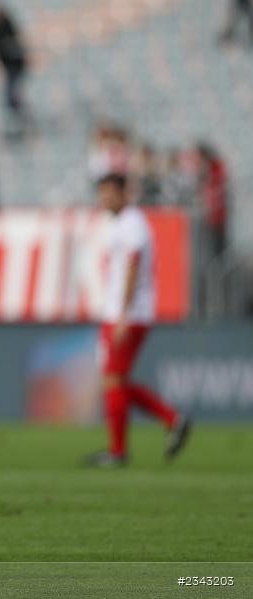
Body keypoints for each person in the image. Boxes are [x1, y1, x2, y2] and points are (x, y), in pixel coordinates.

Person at [84, 174, 191, 467]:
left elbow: (133, 266)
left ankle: (119, 451)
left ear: (124, 192)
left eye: (108, 193)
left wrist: (123, 313)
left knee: (113, 379)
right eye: (101, 193)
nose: (104, 199)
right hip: (123, 311)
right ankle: (172, 420)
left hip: (129, 313)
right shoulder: (123, 223)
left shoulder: (132, 223)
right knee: (115, 381)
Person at [0, 3, 27, 122]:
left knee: (12, 87)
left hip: (16, 62)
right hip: (6, 62)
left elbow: (15, 39)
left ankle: (16, 110)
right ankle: (14, 110)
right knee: (10, 88)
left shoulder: (6, 23)